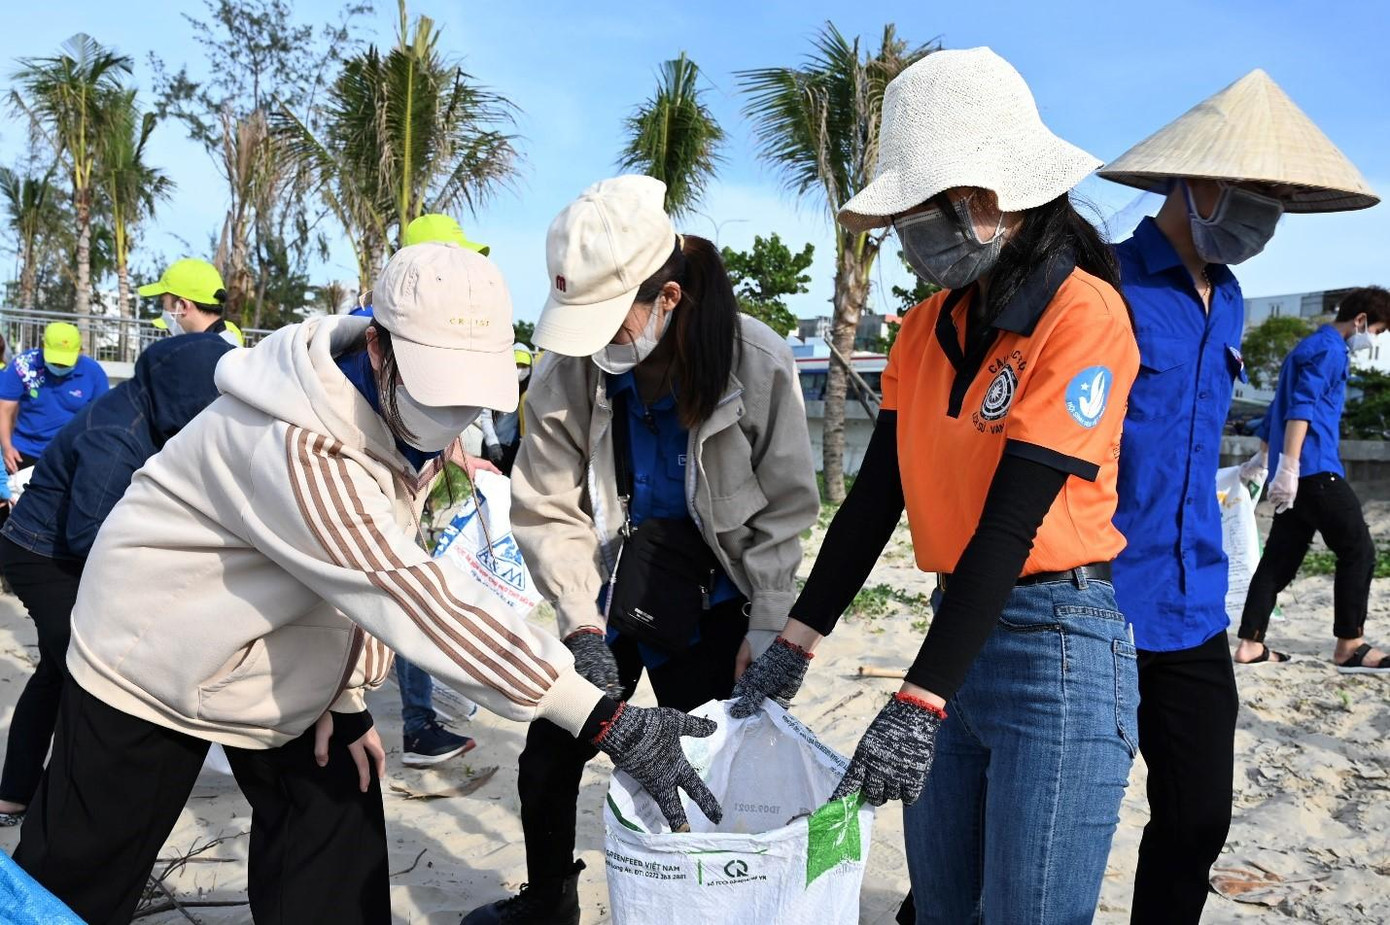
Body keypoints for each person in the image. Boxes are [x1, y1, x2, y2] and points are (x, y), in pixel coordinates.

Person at [14, 242, 719, 925]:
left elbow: (352, 576)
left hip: (276, 647)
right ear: (379, 347)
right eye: (438, 392)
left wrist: (347, 698)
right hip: (149, 651)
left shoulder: (394, 410)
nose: (451, 421)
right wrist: (605, 717)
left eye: (469, 398)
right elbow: (406, 593)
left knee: (338, 842)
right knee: (76, 884)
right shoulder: (299, 444)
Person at [732, 48, 1141, 922]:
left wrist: (918, 696)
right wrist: (795, 642)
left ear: (983, 202)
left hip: (1057, 645)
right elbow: (877, 500)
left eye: (920, 217)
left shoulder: (1083, 314)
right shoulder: (924, 329)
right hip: (955, 625)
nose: (910, 242)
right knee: (944, 906)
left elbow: (1010, 524)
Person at [461, 175, 819, 925]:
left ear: (667, 299)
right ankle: (550, 901)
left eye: (610, 319)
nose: (596, 341)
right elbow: (546, 503)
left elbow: (784, 509)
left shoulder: (755, 359)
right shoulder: (569, 365)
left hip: (712, 601)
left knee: (710, 772)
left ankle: (712, 906)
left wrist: (768, 625)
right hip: (609, 593)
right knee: (547, 761)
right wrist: (580, 626)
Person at [1097, 68, 1380, 923]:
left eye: (1281, 200)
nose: (1268, 217)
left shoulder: (1232, 304)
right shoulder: (1106, 284)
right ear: (1203, 180)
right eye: (1261, 193)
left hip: (1190, 604)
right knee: (1045, 812)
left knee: (1198, 816)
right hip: (1096, 597)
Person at [0, 334, 235, 827]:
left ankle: (14, 791)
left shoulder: (150, 406)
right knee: (84, 672)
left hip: (68, 545)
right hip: (43, 553)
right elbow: (91, 534)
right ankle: (67, 805)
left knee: (54, 670)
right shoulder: (116, 437)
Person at [1235, 287, 1390, 671]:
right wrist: (1288, 466)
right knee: (1359, 551)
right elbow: (1300, 408)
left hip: (1296, 473)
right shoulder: (1331, 350)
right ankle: (1349, 644)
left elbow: (1277, 407)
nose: (1375, 339)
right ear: (1361, 321)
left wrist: (1265, 456)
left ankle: (1250, 644)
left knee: (1279, 560)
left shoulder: (1305, 346)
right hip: (1316, 469)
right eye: (1379, 331)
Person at [0, 323, 109, 477]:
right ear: (43, 346)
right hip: (23, 451)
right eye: (55, 361)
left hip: (69, 453)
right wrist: (6, 447)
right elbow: (5, 408)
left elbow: (102, 418)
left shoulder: (93, 373)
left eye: (64, 362)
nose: (59, 366)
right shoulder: (23, 365)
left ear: (80, 351)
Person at [140, 258, 242, 347]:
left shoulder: (205, 357)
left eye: (163, 302)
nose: (163, 311)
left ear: (183, 306)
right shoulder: (227, 346)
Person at [477, 343, 533, 474]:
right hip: (495, 446)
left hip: (516, 449)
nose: (520, 370)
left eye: (524, 366)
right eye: (516, 365)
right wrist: (492, 443)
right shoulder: (495, 388)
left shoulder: (530, 392)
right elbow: (485, 417)